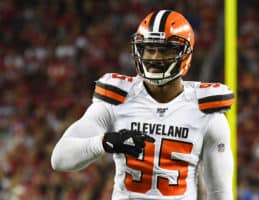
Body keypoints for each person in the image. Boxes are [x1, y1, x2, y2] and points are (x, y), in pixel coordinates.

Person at [51, 9, 234, 200]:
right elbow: (60, 159)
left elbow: (219, 193)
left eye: (164, 50)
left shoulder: (206, 112)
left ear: (184, 53)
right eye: (150, 49)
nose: (155, 58)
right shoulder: (117, 99)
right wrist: (103, 142)